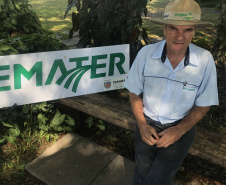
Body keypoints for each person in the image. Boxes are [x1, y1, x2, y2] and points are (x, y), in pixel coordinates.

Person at [123, 0, 219, 184]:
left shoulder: (205, 60)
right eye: (174, 28)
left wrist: (179, 130)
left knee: (158, 179)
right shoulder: (146, 53)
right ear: (164, 29)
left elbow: (204, 103)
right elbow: (134, 92)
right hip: (147, 124)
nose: (179, 36)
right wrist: (142, 125)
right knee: (141, 173)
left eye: (187, 30)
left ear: (194, 31)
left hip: (180, 127)